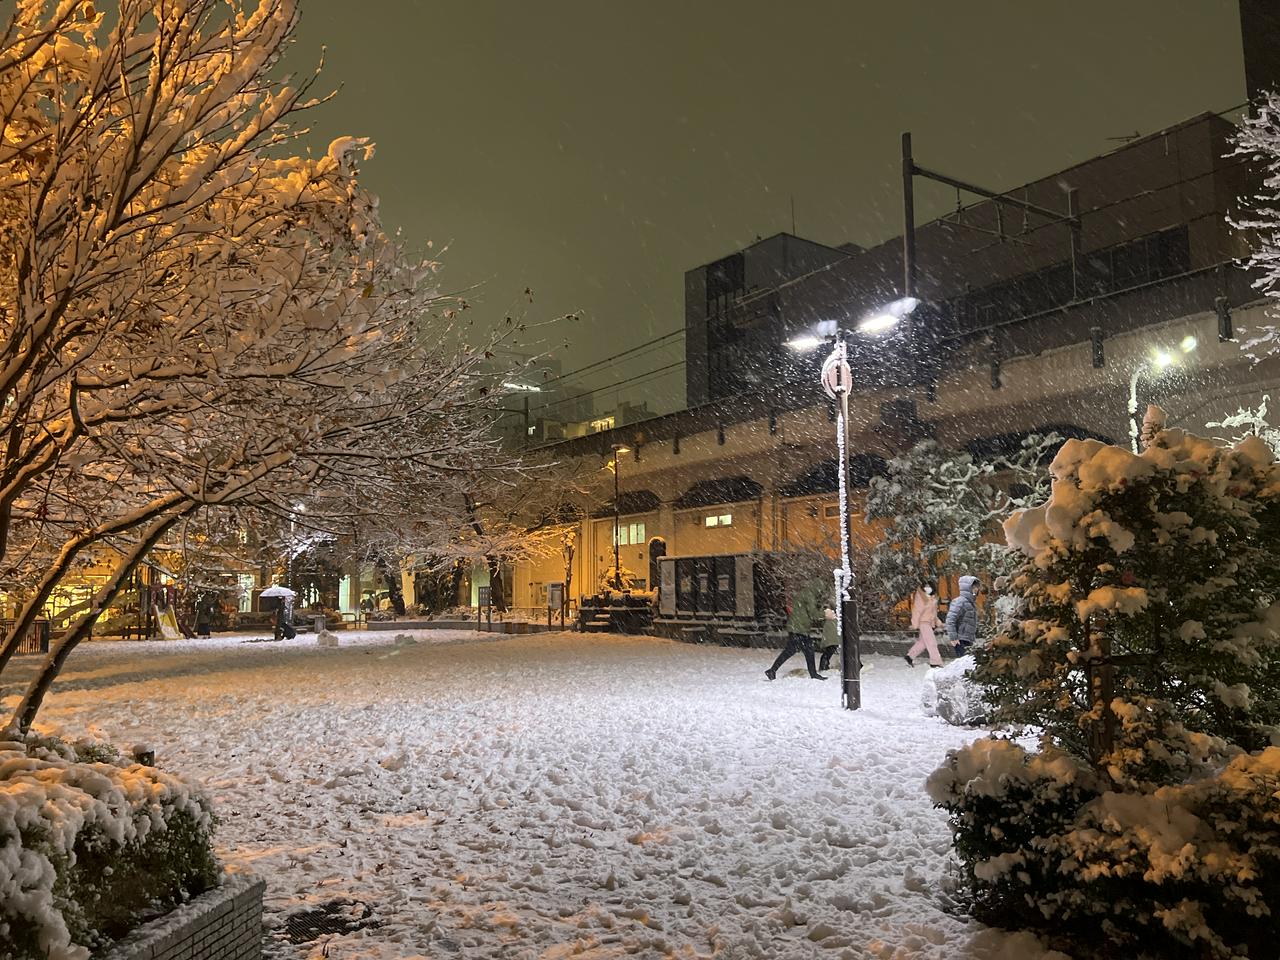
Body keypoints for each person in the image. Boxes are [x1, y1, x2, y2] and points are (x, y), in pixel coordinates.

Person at [766, 578, 826, 681]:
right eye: (821, 590)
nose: (821, 593)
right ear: (818, 588)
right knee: (802, 650)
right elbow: (813, 613)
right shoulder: (810, 596)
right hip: (799, 628)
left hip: (797, 627)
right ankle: (813, 674)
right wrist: (825, 614)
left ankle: (772, 670)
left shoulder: (805, 593)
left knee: (802, 650)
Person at [905, 581, 944, 668]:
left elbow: (933, 614)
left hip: (929, 623)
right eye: (926, 586)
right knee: (931, 642)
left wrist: (939, 623)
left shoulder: (933, 598)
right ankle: (935, 662)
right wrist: (914, 624)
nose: (927, 588)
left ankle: (910, 656)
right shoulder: (921, 598)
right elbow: (916, 611)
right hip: (923, 623)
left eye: (929, 586)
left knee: (923, 643)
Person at [945, 575, 981, 656]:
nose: (976, 589)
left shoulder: (971, 603)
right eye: (973, 587)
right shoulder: (960, 602)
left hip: (968, 639)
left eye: (977, 587)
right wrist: (953, 637)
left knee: (968, 661)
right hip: (960, 639)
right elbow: (950, 620)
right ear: (967, 588)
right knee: (965, 661)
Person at [817, 605, 839, 672]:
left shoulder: (829, 607)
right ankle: (823, 667)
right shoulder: (832, 607)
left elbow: (821, 615)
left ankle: (823, 667)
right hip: (833, 633)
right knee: (829, 651)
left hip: (832, 633)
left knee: (828, 651)